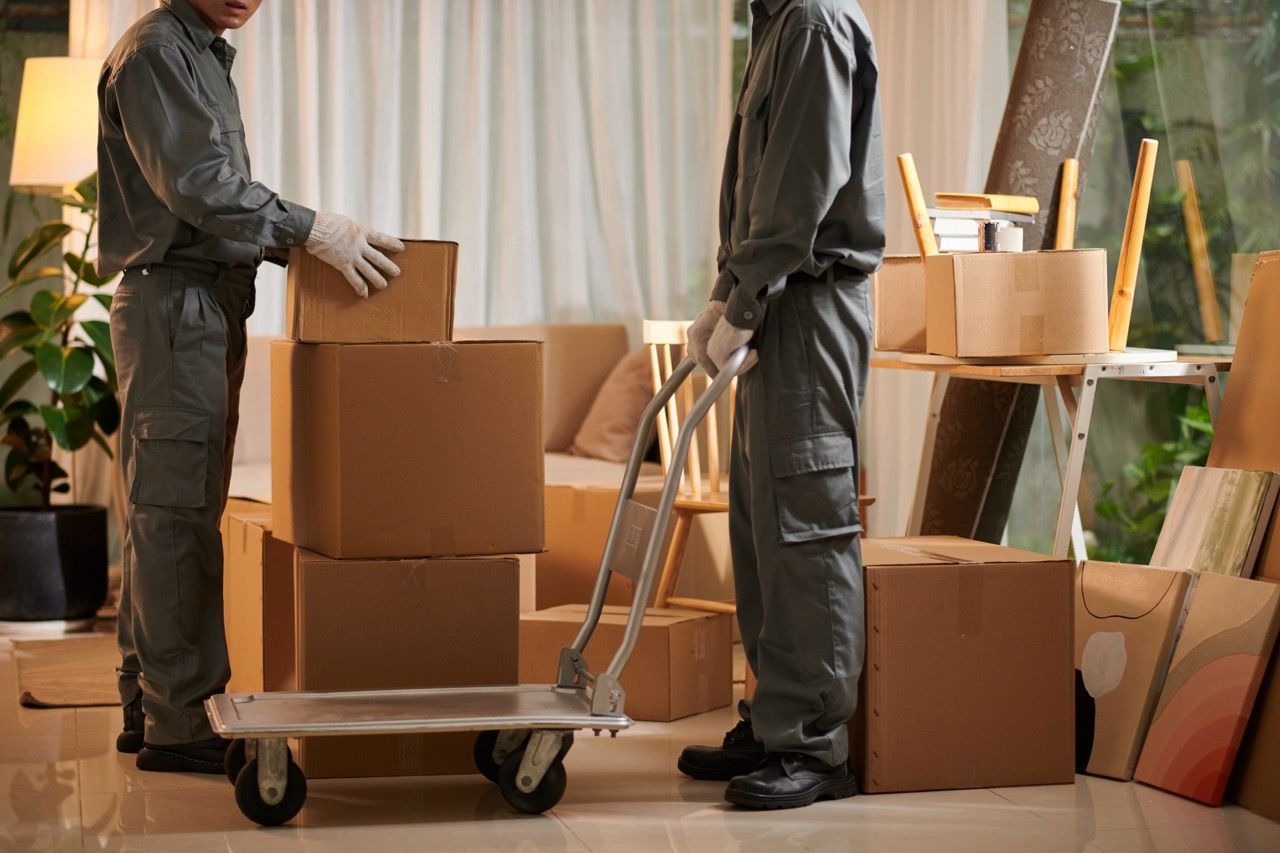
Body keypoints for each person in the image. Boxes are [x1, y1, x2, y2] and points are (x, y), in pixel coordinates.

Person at [97, 0, 403, 774]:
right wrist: (308, 229)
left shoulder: (203, 51)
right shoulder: (157, 52)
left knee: (167, 507)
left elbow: (211, 201)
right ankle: (180, 724)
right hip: (176, 304)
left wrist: (299, 249)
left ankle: (149, 699)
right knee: (174, 516)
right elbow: (201, 187)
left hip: (203, 302)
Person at [680, 0, 884, 810]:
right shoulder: (774, 23)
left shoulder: (813, 22)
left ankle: (814, 743)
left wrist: (744, 298)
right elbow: (760, 189)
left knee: (808, 519)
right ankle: (774, 722)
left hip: (809, 302)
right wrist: (727, 293)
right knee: (762, 520)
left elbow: (801, 183)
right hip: (775, 299)